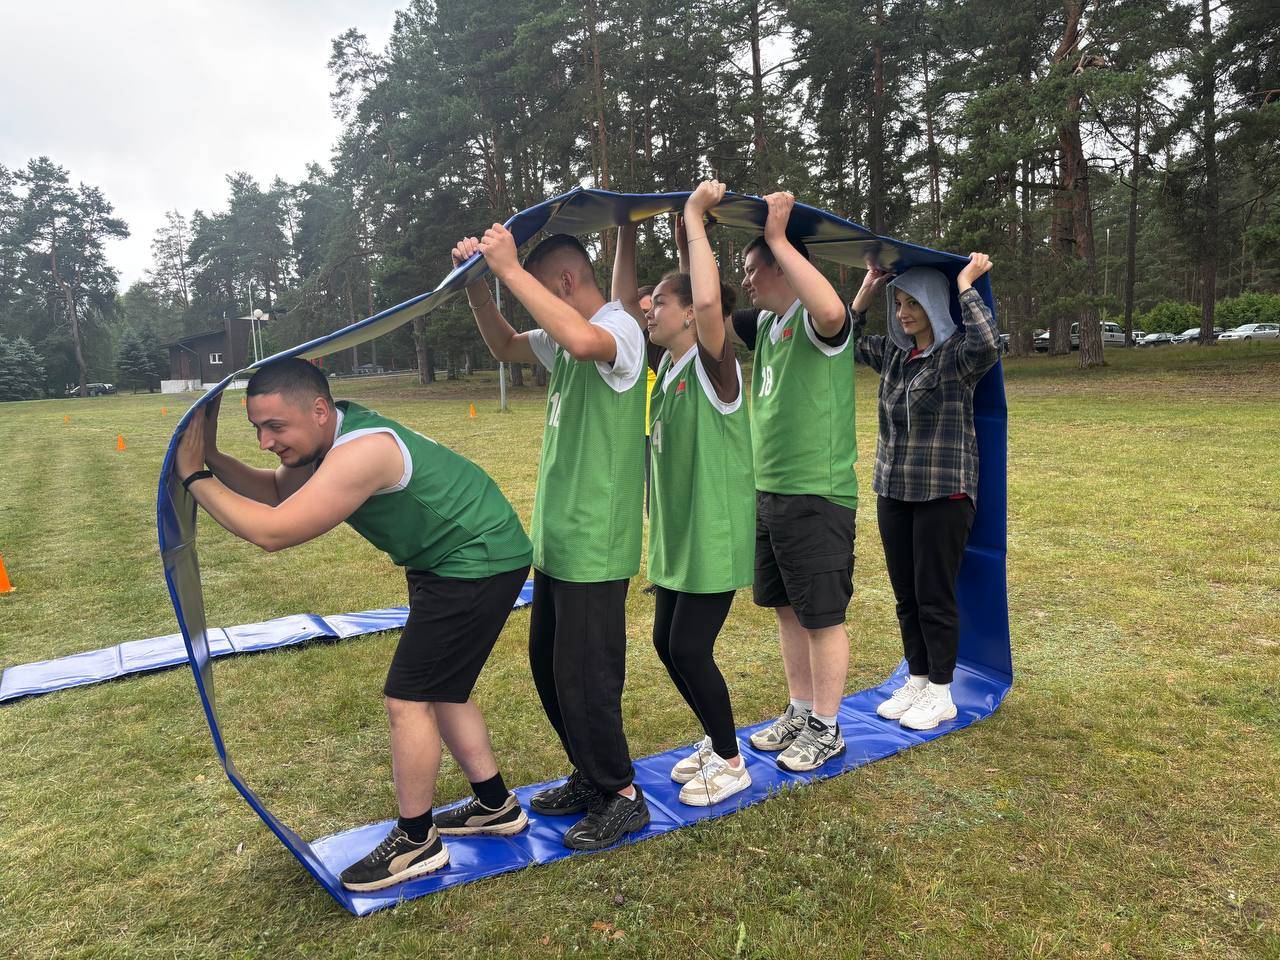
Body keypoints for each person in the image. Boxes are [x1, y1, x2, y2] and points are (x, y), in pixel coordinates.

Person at [173, 358, 533, 892]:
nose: (266, 442)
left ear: (319, 411)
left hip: (476, 560)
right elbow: (276, 492)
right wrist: (215, 458)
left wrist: (195, 476)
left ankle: (417, 842)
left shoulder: (363, 450)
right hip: (447, 560)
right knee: (441, 688)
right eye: (256, 429)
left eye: (276, 427)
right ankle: (495, 806)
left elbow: (274, 530)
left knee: (407, 698)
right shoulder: (329, 437)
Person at [454, 225, 650, 850]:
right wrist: (479, 286)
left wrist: (510, 270)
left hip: (596, 540)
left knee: (588, 677)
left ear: (564, 281)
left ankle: (622, 794)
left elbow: (584, 340)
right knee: (550, 666)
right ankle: (590, 775)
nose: (529, 297)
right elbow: (505, 344)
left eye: (536, 286)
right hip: (559, 539)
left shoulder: (619, 329)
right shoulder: (561, 338)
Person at [612, 181, 755, 806]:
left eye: (662, 302)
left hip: (713, 534)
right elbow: (626, 302)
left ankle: (731, 760)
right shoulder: (667, 363)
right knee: (666, 644)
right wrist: (630, 231)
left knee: (691, 648)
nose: (649, 309)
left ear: (693, 313)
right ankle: (715, 739)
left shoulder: (713, 362)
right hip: (678, 536)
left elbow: (708, 296)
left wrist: (695, 216)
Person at [727, 193, 859, 773]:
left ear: (783, 267)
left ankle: (827, 727)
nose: (746, 282)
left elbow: (831, 311)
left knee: (821, 617)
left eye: (753, 270)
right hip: (770, 491)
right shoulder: (767, 325)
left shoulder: (816, 318)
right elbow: (705, 314)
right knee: (785, 608)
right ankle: (801, 709)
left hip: (816, 494)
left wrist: (779, 237)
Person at [848, 253, 998, 730]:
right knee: (906, 595)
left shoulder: (957, 356)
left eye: (913, 303)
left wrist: (965, 283)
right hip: (893, 489)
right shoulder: (895, 354)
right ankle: (916, 679)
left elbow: (987, 342)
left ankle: (940, 691)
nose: (903, 313)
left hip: (943, 491)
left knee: (934, 596)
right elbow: (842, 337)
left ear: (934, 304)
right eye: (898, 304)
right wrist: (868, 289)